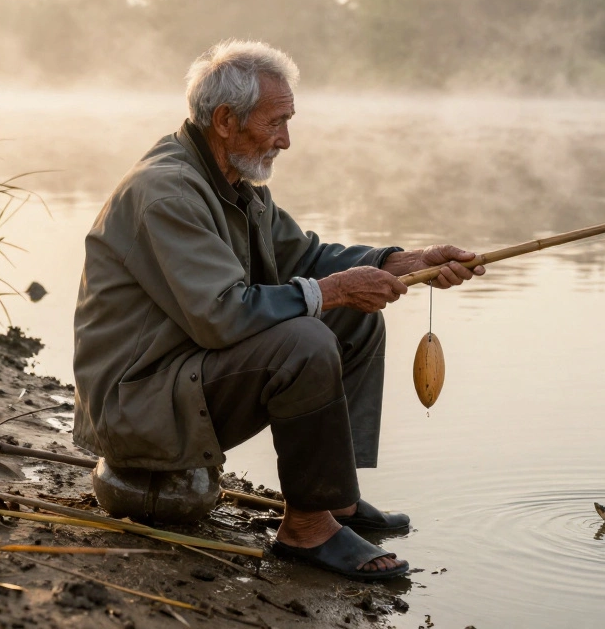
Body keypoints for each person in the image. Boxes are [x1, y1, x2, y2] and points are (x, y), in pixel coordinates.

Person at [72, 39, 483, 580]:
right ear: (224, 120)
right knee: (305, 341)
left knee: (352, 317)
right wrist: (331, 290)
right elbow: (221, 315)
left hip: (183, 377)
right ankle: (306, 530)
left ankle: (335, 503)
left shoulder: (236, 183)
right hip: (139, 406)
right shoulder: (167, 192)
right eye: (276, 123)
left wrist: (404, 261)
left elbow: (306, 256)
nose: (287, 140)